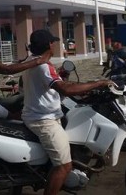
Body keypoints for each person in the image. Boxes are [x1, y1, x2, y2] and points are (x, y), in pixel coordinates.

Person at [21, 29, 110, 195]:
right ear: (49, 45)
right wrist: (99, 83)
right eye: (53, 42)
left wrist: (82, 85)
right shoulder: (43, 66)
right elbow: (65, 90)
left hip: (39, 115)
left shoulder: (32, 61)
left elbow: (56, 85)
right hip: (44, 121)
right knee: (63, 166)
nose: (54, 45)